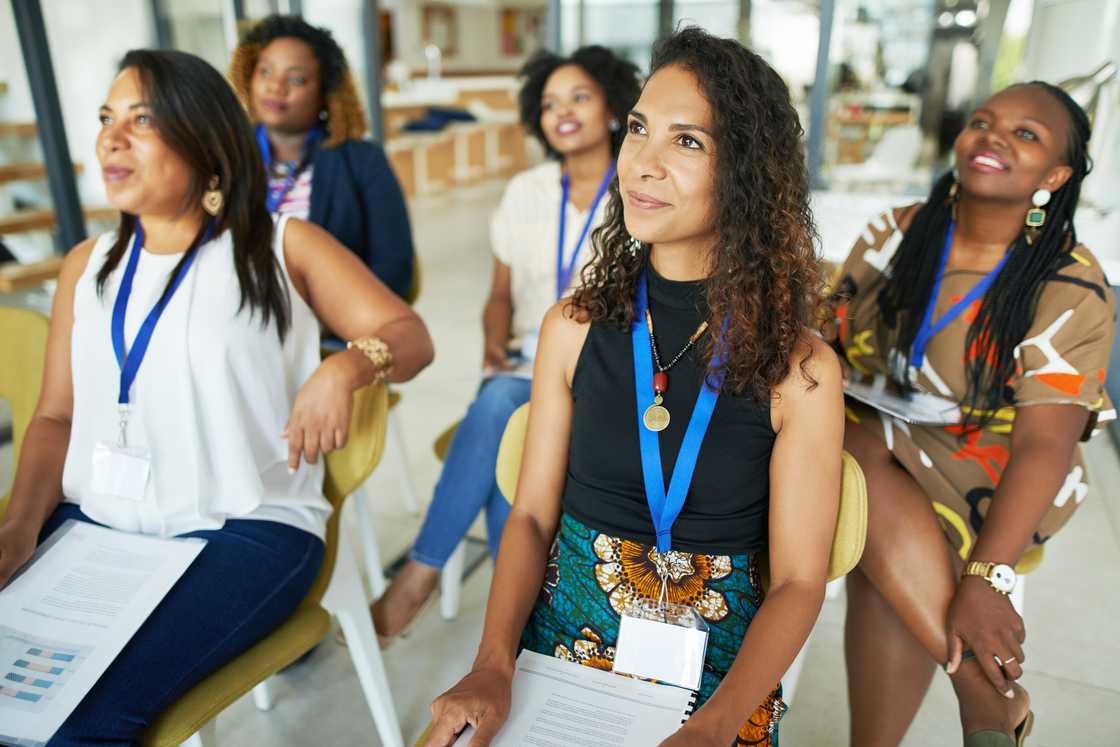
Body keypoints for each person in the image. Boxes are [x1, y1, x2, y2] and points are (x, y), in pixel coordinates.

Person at [424, 27, 844, 747]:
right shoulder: (573, 328)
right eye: (640, 129)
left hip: (718, 674)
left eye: (688, 142)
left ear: (746, 174)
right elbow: (530, 518)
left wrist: (715, 725)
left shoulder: (799, 370)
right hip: (563, 643)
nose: (643, 163)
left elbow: (799, 582)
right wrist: (492, 664)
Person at [0, 49, 433, 745]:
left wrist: (348, 366)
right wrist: (20, 529)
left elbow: (409, 335)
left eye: (142, 121)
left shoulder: (279, 246)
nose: (111, 139)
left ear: (204, 141)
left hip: (243, 524)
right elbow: (56, 416)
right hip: (100, 522)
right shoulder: (88, 264)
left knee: (79, 721)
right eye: (107, 119)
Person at [831, 82, 1113, 746]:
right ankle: (983, 692)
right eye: (983, 122)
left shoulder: (1070, 281)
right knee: (852, 451)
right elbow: (828, 335)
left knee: (862, 489)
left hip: (994, 466)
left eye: (1025, 134)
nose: (993, 137)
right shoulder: (898, 232)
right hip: (878, 435)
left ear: (1055, 176)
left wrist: (987, 577)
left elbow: (1045, 443)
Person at [371, 46, 641, 641]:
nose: (562, 112)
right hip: (522, 363)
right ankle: (518, 623)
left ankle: (420, 574)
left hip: (601, 373)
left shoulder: (639, 194)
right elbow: (499, 295)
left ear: (613, 109)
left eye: (579, 98)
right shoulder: (526, 191)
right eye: (549, 104)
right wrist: (494, 342)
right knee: (509, 437)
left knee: (500, 413)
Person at [229, 15, 415, 299]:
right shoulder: (226, 156)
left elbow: (395, 268)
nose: (276, 86)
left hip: (332, 317)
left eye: (296, 79)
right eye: (265, 71)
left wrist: (325, 313)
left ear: (325, 94)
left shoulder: (363, 161)